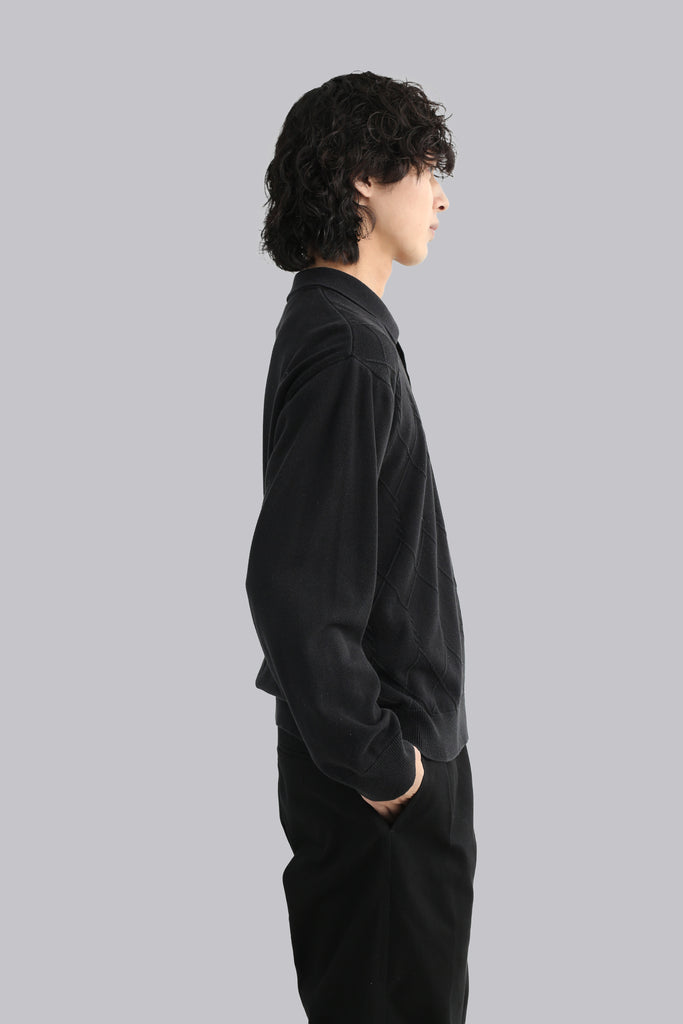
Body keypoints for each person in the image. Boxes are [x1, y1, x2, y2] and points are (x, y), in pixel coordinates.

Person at [245, 70, 477, 1024]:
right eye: (424, 168)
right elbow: (295, 592)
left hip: (377, 773)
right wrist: (386, 767)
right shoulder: (347, 349)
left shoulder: (339, 331)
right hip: (380, 787)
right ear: (361, 180)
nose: (440, 196)